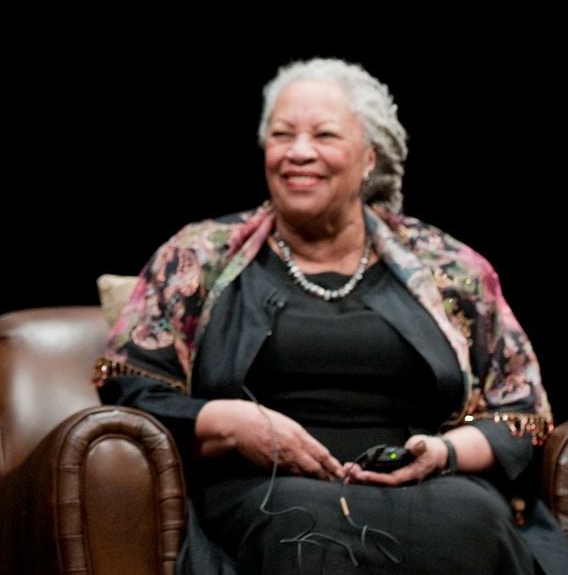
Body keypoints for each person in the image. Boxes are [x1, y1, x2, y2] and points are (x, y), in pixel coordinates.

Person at [96, 57, 567, 574]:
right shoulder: (197, 257)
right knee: (301, 531)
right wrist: (232, 424)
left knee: (469, 523)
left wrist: (444, 452)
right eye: (282, 134)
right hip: (264, 492)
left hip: (433, 489)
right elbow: (131, 389)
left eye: (324, 135)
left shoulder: (450, 268)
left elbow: (523, 413)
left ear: (369, 157)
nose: (299, 153)